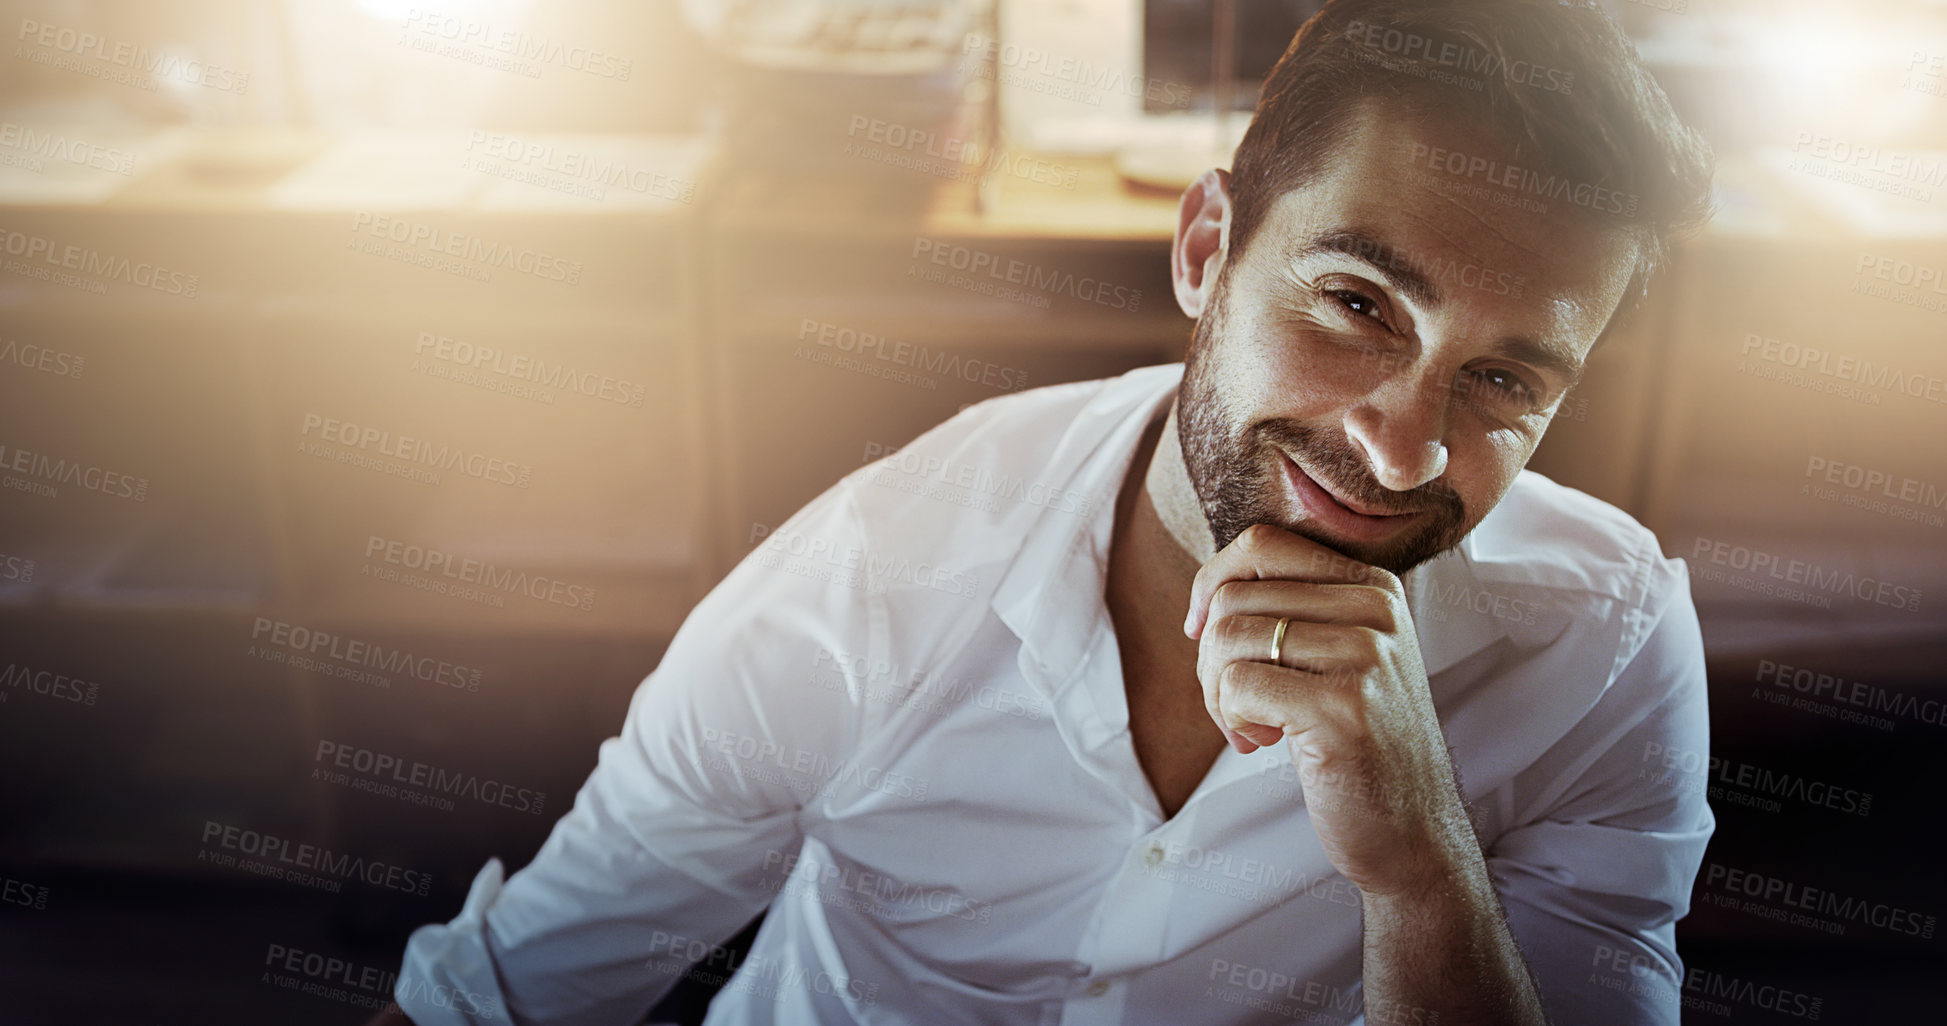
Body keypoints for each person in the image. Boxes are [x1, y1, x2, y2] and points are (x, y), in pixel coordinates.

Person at [377, 0, 1716, 1022]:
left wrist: (1424, 874)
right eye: (1357, 303)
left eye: (1503, 379)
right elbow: (503, 991)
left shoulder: (1608, 642)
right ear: (1207, 251)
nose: (1402, 445)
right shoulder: (873, 574)